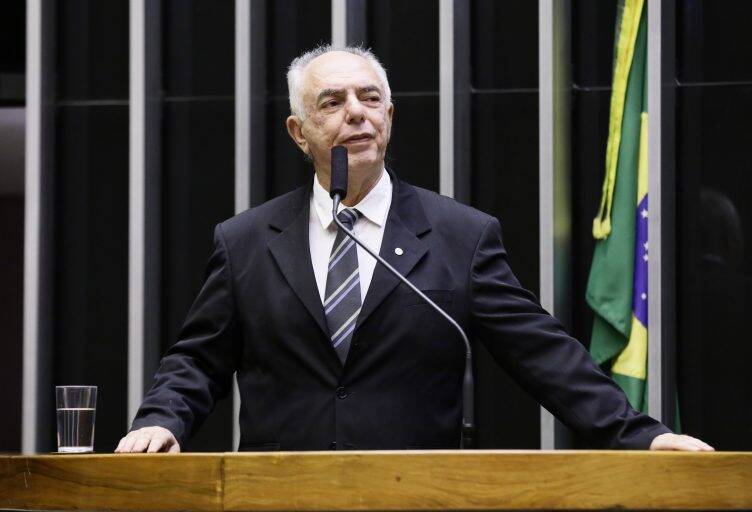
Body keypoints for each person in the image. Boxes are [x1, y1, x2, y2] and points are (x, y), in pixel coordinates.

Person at [116, 46, 712, 454]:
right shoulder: (246, 240)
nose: (356, 113)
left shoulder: (460, 235)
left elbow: (543, 353)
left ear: (390, 117)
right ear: (300, 133)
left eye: (370, 99)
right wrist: (161, 420)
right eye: (332, 102)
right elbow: (198, 359)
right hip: (280, 497)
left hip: (414, 496)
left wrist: (639, 435)